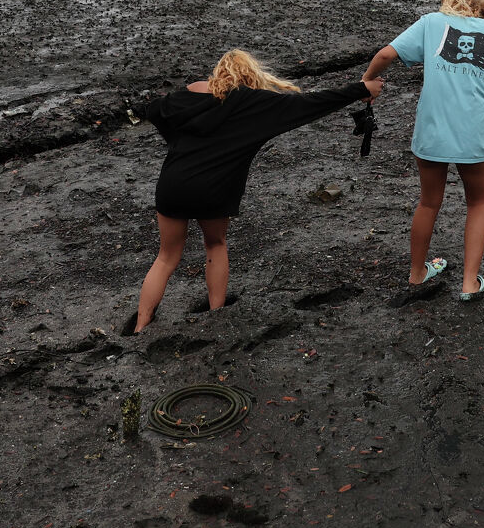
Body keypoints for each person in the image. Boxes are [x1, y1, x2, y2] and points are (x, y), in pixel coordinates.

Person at [132, 49, 380, 333]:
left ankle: (140, 326)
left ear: (219, 71)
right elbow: (309, 104)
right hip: (214, 189)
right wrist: (360, 89)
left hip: (173, 184)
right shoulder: (252, 104)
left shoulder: (183, 98)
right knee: (215, 245)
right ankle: (215, 317)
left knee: (166, 257)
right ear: (250, 75)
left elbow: (153, 110)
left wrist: (176, 141)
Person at [364, 0, 484, 302]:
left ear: (450, 5)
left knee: (429, 202)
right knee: (478, 203)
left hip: (432, 132)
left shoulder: (432, 23)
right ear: (482, 9)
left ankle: (417, 274)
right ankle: (470, 283)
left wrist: (367, 83)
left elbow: (385, 55)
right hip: (474, 135)